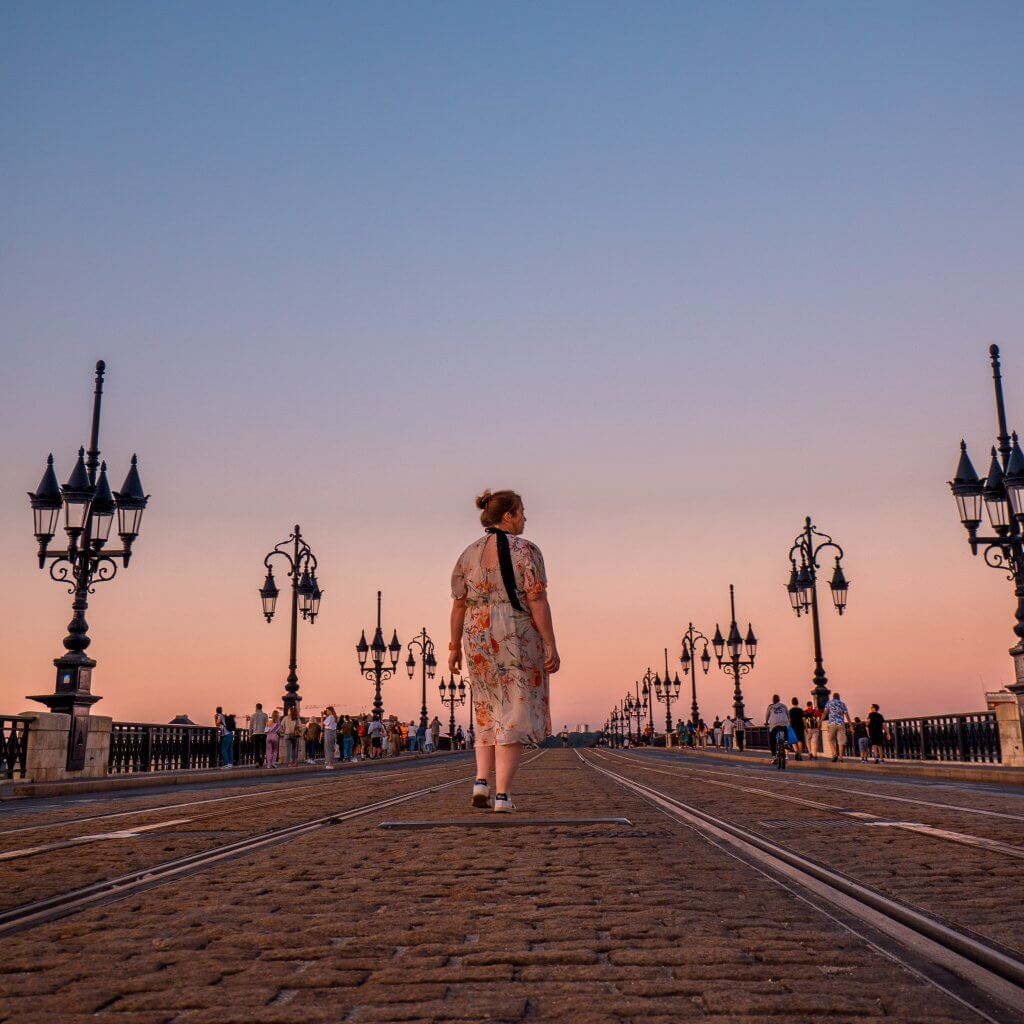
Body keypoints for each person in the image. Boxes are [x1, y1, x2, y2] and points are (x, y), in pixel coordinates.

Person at [450, 489, 558, 814]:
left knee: (486, 707)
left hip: (476, 632)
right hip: (514, 630)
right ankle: (503, 796)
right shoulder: (526, 550)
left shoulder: (467, 554)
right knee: (514, 711)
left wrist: (454, 646)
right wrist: (551, 643)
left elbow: (458, 605)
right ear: (508, 516)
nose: (525, 517)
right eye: (522, 511)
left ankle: (481, 780)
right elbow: (537, 599)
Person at [823, 691, 851, 761]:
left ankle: (835, 754)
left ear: (833, 697)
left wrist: (820, 721)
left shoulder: (829, 703)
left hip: (832, 723)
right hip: (841, 724)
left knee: (830, 739)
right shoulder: (842, 704)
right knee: (841, 741)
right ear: (839, 697)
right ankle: (841, 757)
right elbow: (846, 715)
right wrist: (850, 725)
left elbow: (825, 713)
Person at [765, 694, 790, 765]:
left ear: (773, 700)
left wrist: (766, 722)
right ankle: (786, 742)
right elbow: (788, 715)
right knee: (785, 731)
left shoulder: (770, 707)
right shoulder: (784, 706)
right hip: (784, 724)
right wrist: (787, 721)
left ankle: (774, 757)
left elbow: (767, 716)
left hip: (774, 725)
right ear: (779, 700)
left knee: (772, 740)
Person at [250, 703, 268, 767]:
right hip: (263, 734)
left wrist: (249, 735)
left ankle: (257, 762)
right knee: (263, 748)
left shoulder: (253, 715)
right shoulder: (265, 715)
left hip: (255, 734)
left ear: (256, 707)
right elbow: (267, 725)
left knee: (256, 749)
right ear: (261, 707)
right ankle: (262, 761)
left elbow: (250, 726)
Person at [788, 697, 805, 761]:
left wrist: (788, 726)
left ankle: (796, 751)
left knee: (793, 741)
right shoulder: (800, 710)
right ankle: (800, 755)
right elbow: (803, 719)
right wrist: (805, 727)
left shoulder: (790, 711)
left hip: (793, 727)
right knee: (800, 740)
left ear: (792, 703)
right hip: (800, 726)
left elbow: (789, 720)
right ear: (797, 702)